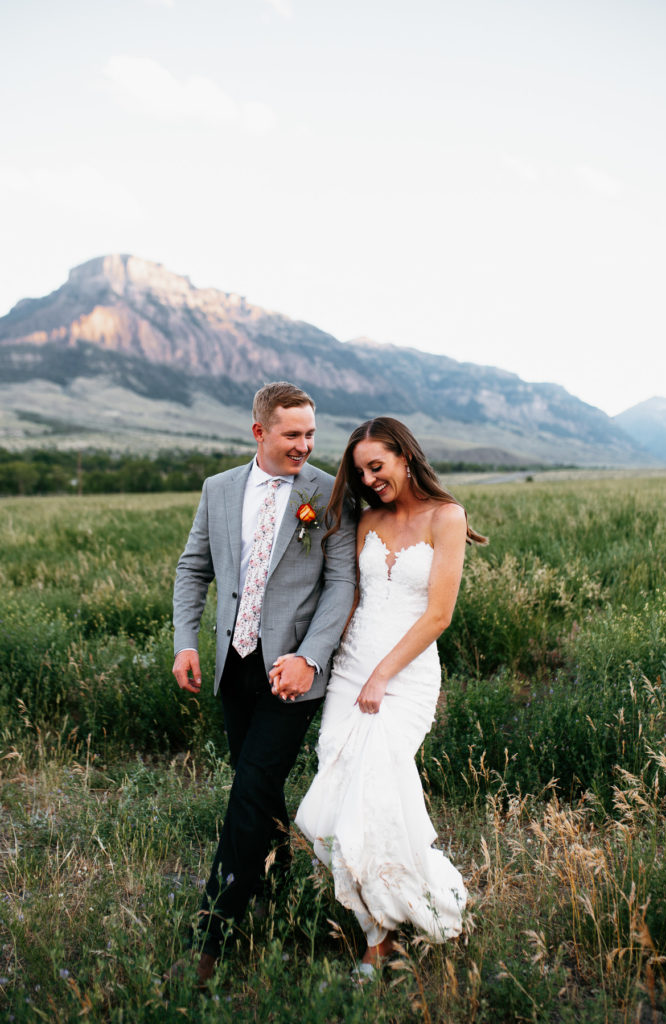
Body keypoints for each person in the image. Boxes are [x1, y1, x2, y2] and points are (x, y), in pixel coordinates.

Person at [170, 381, 356, 985]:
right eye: (292, 434)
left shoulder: (329, 494)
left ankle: (210, 938)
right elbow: (192, 566)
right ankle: (283, 907)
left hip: (291, 672)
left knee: (249, 791)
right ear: (259, 433)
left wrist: (310, 657)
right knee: (260, 796)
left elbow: (342, 586)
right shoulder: (218, 489)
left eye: (310, 434)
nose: (304, 445)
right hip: (232, 664)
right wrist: (186, 641)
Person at [287, 417, 486, 975]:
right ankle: (387, 917)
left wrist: (382, 676)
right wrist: (316, 659)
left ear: (404, 456)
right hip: (349, 672)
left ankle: (381, 940)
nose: (370, 479)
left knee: (374, 798)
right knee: (324, 810)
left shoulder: (447, 517)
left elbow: (439, 614)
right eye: (360, 471)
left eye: (377, 466)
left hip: (404, 680)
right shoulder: (365, 519)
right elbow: (346, 598)